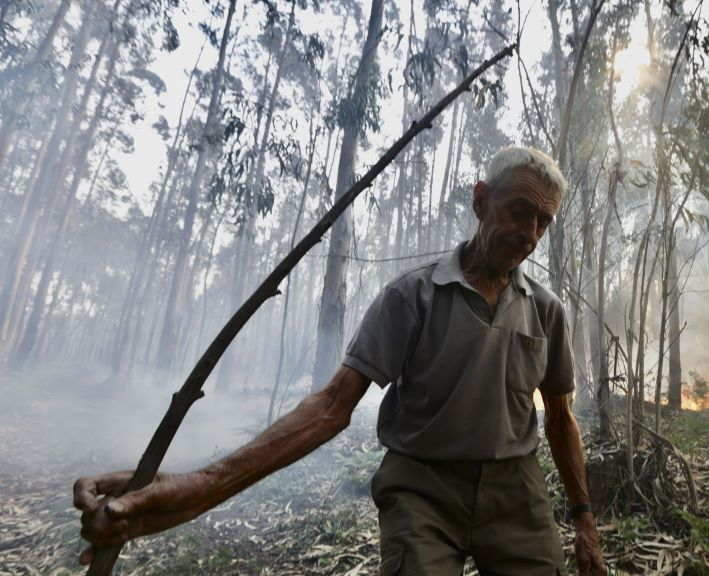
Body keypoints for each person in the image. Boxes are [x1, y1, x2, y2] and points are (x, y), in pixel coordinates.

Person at [74, 146, 606, 575]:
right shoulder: (412, 297)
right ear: (481, 200)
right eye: (519, 212)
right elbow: (332, 407)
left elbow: (560, 418)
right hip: (422, 488)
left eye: (543, 222)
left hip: (516, 492)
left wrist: (583, 519)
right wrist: (193, 489)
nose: (529, 235)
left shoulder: (547, 311)